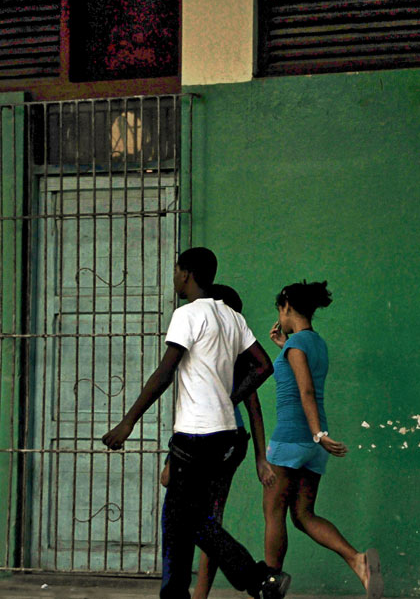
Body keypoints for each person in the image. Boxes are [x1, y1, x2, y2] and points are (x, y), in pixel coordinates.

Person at [101, 247, 291, 599]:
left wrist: (129, 422)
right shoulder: (232, 317)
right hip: (226, 438)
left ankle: (259, 579)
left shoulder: (186, 314)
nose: (174, 277)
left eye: (176, 270)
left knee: (187, 521)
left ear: (186, 273)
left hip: (196, 437)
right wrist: (231, 397)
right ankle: (177, 594)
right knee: (178, 521)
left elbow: (165, 372)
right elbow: (264, 365)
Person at [263, 280, 383, 599]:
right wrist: (318, 437)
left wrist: (318, 433)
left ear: (286, 305)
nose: (280, 315)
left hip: (292, 437)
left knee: (274, 512)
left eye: (279, 309)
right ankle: (357, 560)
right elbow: (303, 374)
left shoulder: (297, 345)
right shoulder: (315, 343)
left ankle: (270, 586)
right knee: (303, 515)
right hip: (314, 445)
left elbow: (305, 391)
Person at [159, 284, 275, 599]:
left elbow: (250, 406)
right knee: (203, 520)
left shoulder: (213, 351)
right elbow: (254, 409)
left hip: (204, 441)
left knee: (192, 521)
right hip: (229, 445)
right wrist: (259, 457)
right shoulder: (235, 355)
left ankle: (253, 579)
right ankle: (216, 589)